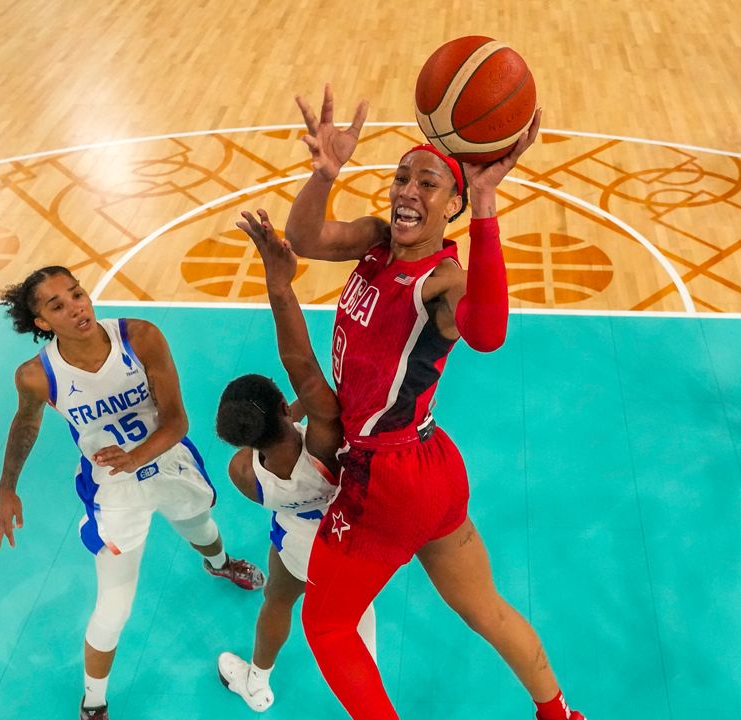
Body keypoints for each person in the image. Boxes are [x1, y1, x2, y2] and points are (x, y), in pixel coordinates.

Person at [240, 83, 585, 720]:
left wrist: (488, 200)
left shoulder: (444, 279)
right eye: (402, 177)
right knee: (486, 608)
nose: (407, 191)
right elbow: (307, 235)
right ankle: (560, 712)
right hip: (431, 468)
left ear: (451, 205)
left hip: (386, 480)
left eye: (428, 185)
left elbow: (488, 333)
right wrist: (324, 174)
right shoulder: (375, 240)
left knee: (327, 626)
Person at [0, 265, 266, 720]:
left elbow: (178, 421)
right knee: (114, 606)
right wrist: (7, 487)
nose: (75, 307)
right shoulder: (36, 376)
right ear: (42, 323)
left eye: (76, 294)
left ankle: (219, 565)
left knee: (203, 527)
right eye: (57, 305)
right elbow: (25, 424)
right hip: (112, 492)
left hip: (168, 461)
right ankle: (94, 703)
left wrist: (136, 457)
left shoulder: (139, 337)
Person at [211, 227, 378, 711]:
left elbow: (279, 427)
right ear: (284, 408)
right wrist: (280, 285)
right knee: (357, 634)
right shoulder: (324, 440)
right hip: (348, 539)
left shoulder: (242, 471)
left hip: (294, 542)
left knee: (278, 602)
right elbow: (306, 373)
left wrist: (288, 414)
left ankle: (256, 683)